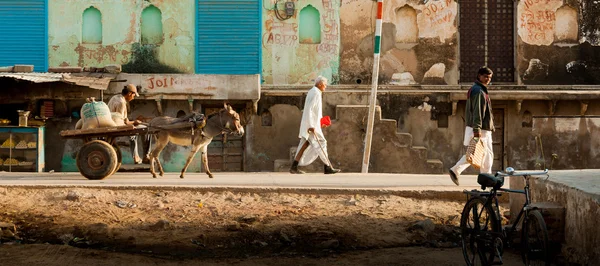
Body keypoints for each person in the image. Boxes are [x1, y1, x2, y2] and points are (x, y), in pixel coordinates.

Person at [449, 67, 495, 185]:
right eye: (485, 77)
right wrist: (477, 130)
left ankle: (457, 171)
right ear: (479, 76)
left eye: (489, 78)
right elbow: (477, 112)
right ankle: (486, 180)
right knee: (482, 154)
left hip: (480, 128)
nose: (487, 79)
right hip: (481, 129)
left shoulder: (478, 89)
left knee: (480, 154)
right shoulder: (479, 91)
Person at [289, 76, 341, 174]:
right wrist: (312, 125)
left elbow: (314, 111)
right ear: (320, 84)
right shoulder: (316, 93)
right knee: (322, 143)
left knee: (304, 145)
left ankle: (294, 166)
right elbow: (310, 110)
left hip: (311, 124)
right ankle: (327, 167)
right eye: (325, 85)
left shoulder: (313, 92)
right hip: (311, 125)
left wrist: (320, 122)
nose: (325, 87)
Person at [108, 84, 149, 164]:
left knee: (137, 128)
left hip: (112, 122)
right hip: (116, 125)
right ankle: (144, 156)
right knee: (145, 129)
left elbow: (121, 118)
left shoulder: (115, 97)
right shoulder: (121, 103)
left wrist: (133, 122)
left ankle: (140, 156)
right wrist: (135, 122)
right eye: (134, 95)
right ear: (130, 93)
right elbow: (122, 122)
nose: (133, 97)